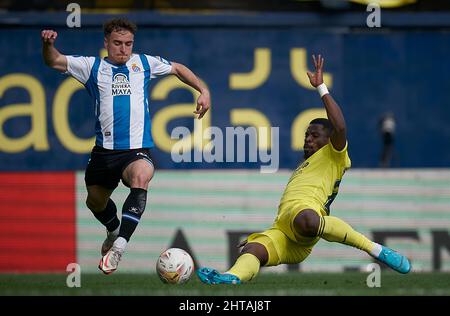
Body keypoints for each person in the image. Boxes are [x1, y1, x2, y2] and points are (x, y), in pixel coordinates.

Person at [197, 54, 410, 284]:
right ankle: (230, 277)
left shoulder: (333, 155)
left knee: (306, 219)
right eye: (306, 135)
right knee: (253, 249)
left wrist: (321, 88)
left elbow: (339, 126)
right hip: (284, 231)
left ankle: (375, 249)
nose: (308, 139)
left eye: (315, 135)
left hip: (306, 222)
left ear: (328, 141)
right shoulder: (304, 166)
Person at [41, 18, 211, 274]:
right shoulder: (92, 67)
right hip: (104, 152)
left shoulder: (143, 63)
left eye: (128, 44)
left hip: (136, 150)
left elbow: (177, 68)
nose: (123, 49)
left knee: (141, 176)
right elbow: (53, 60)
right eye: (118, 43)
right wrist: (48, 44)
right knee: (95, 203)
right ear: (106, 43)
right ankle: (113, 230)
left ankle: (119, 247)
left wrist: (202, 89)